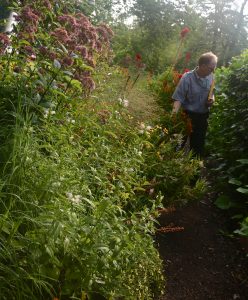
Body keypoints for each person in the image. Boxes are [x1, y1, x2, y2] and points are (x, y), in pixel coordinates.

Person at [171, 51, 218, 158]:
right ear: (202, 65)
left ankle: (193, 171)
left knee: (198, 147)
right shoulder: (187, 78)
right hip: (186, 115)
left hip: (202, 117)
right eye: (211, 68)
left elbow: (212, 93)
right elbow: (178, 98)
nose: (213, 71)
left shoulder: (211, 77)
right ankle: (173, 167)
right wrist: (173, 116)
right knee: (178, 144)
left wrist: (212, 100)